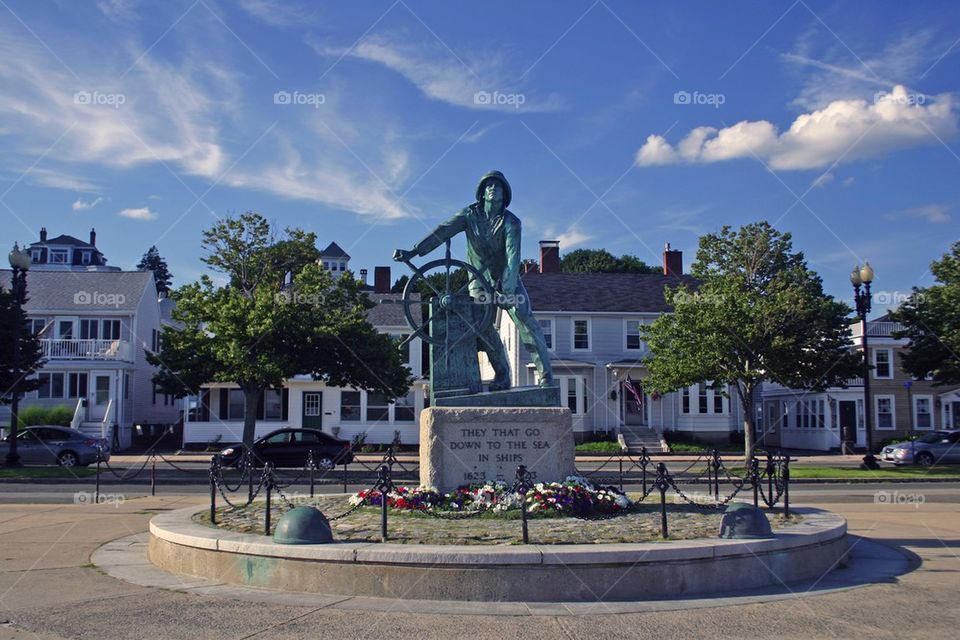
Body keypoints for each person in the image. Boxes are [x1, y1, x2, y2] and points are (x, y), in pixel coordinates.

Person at [393, 170, 554, 389]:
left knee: (526, 321)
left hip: (507, 279)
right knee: (483, 328)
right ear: (481, 192)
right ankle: (502, 375)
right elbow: (442, 231)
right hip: (478, 281)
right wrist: (414, 251)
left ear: (504, 194)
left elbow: (512, 256)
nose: (492, 188)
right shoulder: (469, 215)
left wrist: (507, 290)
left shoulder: (511, 222)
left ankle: (546, 378)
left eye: (497, 186)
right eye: (488, 185)